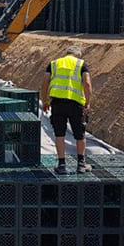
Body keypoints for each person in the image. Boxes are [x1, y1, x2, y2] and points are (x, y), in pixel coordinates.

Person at [41, 45, 93, 174]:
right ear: (77, 55)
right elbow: (87, 83)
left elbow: (44, 83)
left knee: (59, 134)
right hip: (75, 104)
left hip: (57, 103)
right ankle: (81, 165)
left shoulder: (53, 64)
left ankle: (62, 165)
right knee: (80, 135)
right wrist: (88, 103)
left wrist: (45, 101)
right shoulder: (81, 64)